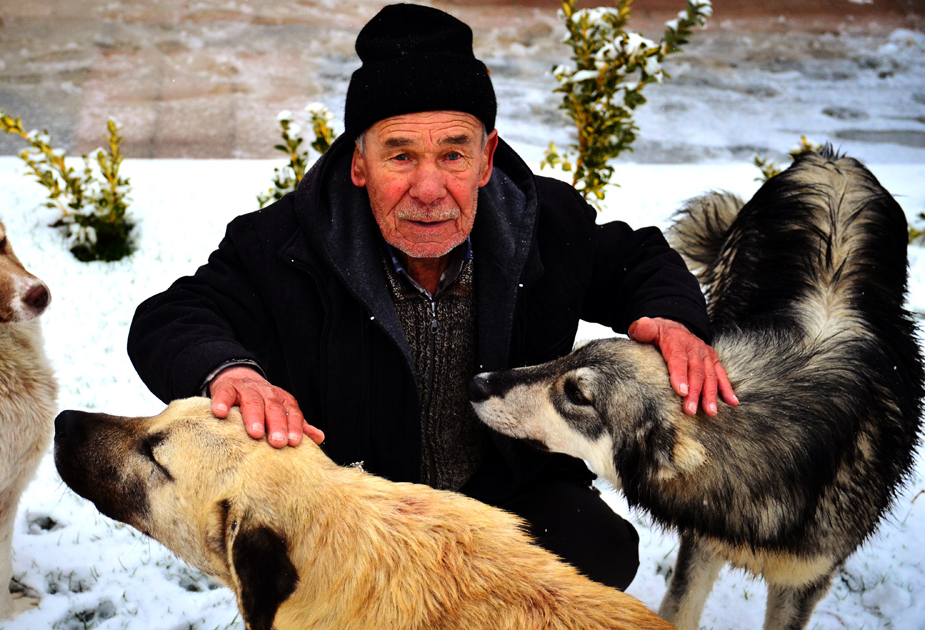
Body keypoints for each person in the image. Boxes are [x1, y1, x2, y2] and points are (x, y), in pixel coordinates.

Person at [128, 3, 737, 591]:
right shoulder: (281, 244)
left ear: (486, 158)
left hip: (506, 496)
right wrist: (232, 371)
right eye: (400, 154)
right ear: (359, 162)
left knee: (597, 548)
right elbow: (171, 317)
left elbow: (638, 261)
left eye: (453, 153)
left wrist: (673, 321)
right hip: (356, 511)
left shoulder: (546, 223)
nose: (428, 188)